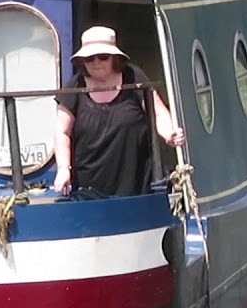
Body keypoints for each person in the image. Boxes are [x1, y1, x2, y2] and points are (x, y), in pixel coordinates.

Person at [53, 26, 185, 197]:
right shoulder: (75, 86)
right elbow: (62, 132)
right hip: (88, 186)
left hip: (135, 182)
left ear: (114, 58)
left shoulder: (134, 78)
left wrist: (170, 134)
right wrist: (63, 169)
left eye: (103, 57)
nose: (96, 63)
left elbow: (158, 113)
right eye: (89, 58)